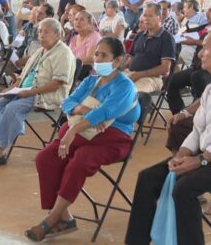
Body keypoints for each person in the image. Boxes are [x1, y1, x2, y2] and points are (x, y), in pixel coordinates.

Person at [125, 28, 211, 245]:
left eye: (205, 48)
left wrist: (199, 160)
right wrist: (182, 154)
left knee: (184, 188)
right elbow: (198, 129)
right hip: (210, 156)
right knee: (148, 177)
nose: (200, 53)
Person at [25, 37, 140, 241]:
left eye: (103, 55)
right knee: (45, 157)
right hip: (83, 136)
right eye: (96, 54)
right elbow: (68, 102)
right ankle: (65, 217)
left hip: (113, 139)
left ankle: (50, 220)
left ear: (118, 60)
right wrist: (81, 110)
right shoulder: (90, 81)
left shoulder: (125, 86)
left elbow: (106, 111)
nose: (97, 58)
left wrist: (74, 128)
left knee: (79, 160)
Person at [0, 18, 75, 167]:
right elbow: (24, 75)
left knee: (12, 108)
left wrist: (29, 92)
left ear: (57, 34)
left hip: (44, 94)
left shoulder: (64, 52)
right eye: (40, 31)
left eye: (46, 32)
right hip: (25, 91)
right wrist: (13, 87)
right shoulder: (40, 51)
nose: (41, 35)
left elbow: (57, 83)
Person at [167, 0, 211, 113]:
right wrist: (185, 37)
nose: (207, 13)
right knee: (171, 81)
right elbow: (198, 35)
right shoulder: (208, 26)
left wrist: (195, 42)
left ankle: (203, 112)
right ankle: (179, 116)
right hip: (198, 67)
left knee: (197, 77)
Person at [125, 2, 175, 94]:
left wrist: (139, 75)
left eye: (150, 16)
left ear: (159, 17)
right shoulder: (140, 35)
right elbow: (130, 58)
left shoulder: (166, 38)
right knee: (108, 84)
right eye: (144, 15)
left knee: (133, 94)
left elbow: (165, 68)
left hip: (152, 79)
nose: (146, 19)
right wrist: (117, 68)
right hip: (131, 73)